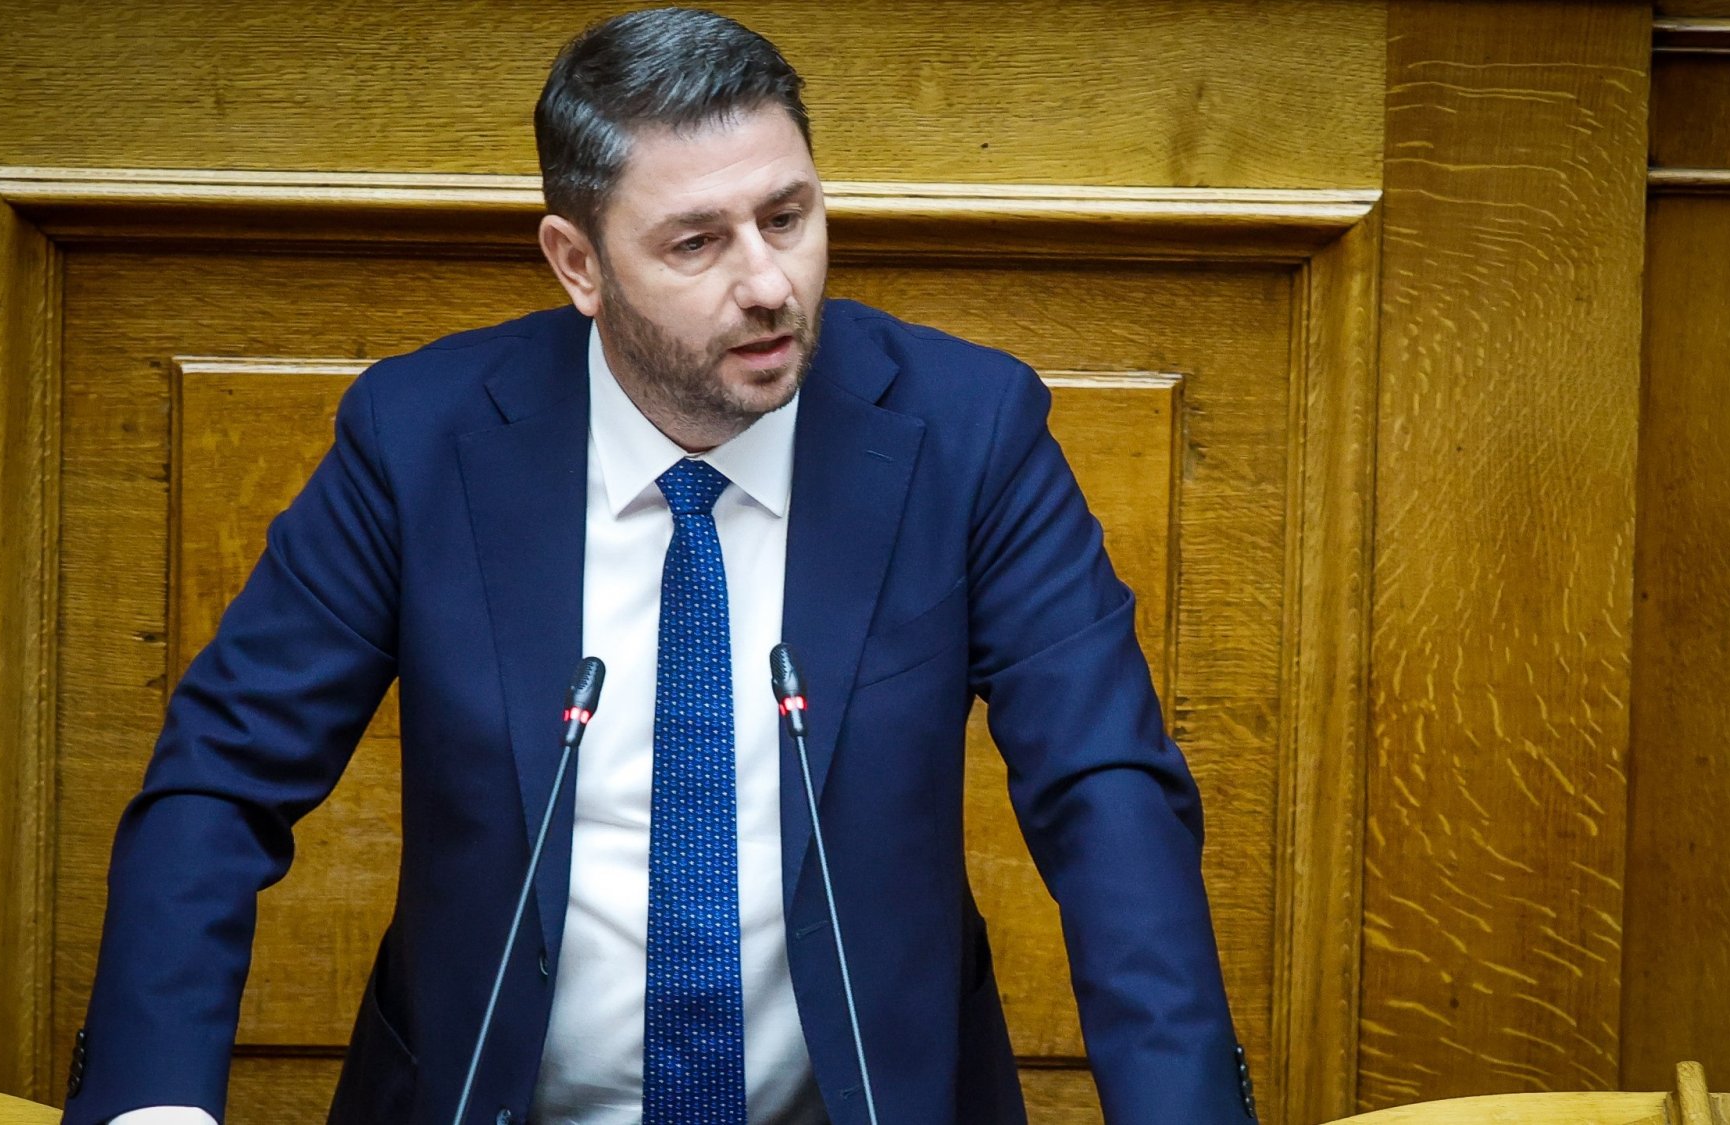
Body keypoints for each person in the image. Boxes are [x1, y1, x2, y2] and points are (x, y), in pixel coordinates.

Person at [64, 8, 1257, 1124]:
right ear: (576, 264)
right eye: (696, 242)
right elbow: (221, 780)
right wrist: (153, 1106)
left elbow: (1105, 796)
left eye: (786, 218)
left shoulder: (967, 432)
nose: (768, 285)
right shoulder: (421, 439)